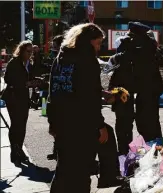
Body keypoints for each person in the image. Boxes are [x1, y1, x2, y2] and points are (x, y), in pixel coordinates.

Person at [47, 23, 109, 193]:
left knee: (63, 169)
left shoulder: (60, 58)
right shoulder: (87, 60)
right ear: (88, 41)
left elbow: (54, 91)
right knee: (81, 172)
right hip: (81, 125)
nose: (98, 47)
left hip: (61, 123)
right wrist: (100, 125)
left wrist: (52, 122)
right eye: (97, 43)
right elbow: (90, 98)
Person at [108, 22, 163, 155]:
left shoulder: (131, 45)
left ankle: (127, 152)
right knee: (146, 121)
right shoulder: (149, 45)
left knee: (126, 123)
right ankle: (151, 150)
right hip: (140, 89)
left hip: (131, 88)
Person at [1, 40, 38, 165]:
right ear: (21, 51)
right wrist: (24, 83)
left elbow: (30, 76)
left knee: (22, 124)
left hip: (23, 97)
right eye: (28, 51)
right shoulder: (14, 62)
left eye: (31, 52)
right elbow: (7, 79)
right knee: (16, 123)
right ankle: (14, 151)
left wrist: (35, 81)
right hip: (13, 97)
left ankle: (19, 149)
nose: (30, 54)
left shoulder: (28, 63)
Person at [47, 35, 64, 161]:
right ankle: (56, 151)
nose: (53, 48)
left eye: (55, 46)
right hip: (53, 100)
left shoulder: (67, 60)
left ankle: (60, 153)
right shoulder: (56, 60)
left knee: (60, 130)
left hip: (62, 102)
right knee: (54, 129)